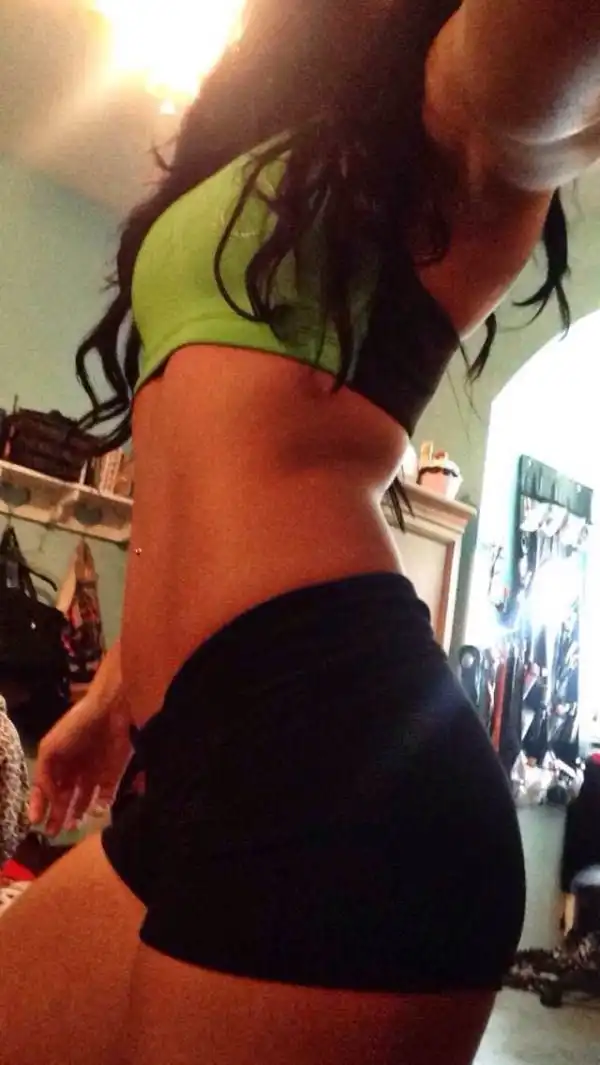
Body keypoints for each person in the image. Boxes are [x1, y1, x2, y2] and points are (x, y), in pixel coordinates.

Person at [1, 0, 599, 1061]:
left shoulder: (456, 118)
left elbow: (544, 53)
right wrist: (114, 691)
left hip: (338, 769)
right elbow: (206, 477)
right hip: (206, 759)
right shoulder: (283, 149)